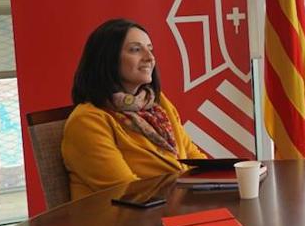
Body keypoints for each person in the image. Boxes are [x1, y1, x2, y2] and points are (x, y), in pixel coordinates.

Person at [61, 18, 206, 200]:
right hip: (122, 222)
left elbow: (192, 157)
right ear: (107, 59)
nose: (150, 58)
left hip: (172, 208)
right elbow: (127, 192)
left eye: (150, 49)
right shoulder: (86, 121)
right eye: (136, 50)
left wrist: (213, 184)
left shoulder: (159, 104)